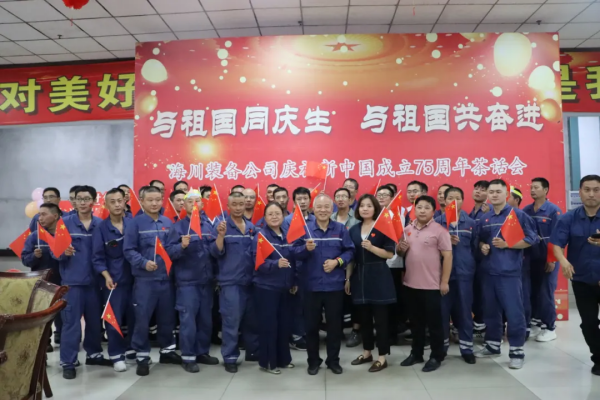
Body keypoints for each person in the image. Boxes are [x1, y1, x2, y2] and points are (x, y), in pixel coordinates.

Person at [475, 179, 538, 370]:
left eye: (498, 191)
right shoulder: (485, 218)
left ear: (506, 194)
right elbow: (480, 239)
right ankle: (493, 345)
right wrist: (483, 246)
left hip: (509, 273)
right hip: (488, 272)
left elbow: (532, 239)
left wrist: (508, 244)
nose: (494, 195)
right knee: (490, 311)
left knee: (514, 313)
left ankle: (517, 351)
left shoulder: (518, 215)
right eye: (491, 192)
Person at [293, 194, 354, 375]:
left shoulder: (340, 229)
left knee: (334, 327)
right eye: (319, 207)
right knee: (311, 327)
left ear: (331, 209)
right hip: (310, 286)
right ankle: (313, 361)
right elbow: (293, 252)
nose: (323, 210)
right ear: (313, 209)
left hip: (334, 286)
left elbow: (350, 251)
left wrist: (337, 262)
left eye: (327, 207)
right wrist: (305, 249)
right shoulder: (304, 229)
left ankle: (333, 361)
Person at [124, 186, 181, 377]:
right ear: (142, 201)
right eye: (150, 200)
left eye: (158, 199)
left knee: (167, 317)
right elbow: (129, 250)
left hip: (165, 279)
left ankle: (167, 351)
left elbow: (171, 249)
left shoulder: (167, 222)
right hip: (145, 280)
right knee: (142, 318)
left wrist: (182, 246)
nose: (155, 203)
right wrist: (143, 263)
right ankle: (142, 356)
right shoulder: (135, 223)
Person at [55, 185, 111, 379]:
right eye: (79, 199)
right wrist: (63, 252)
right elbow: (55, 253)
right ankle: (68, 361)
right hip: (73, 283)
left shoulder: (101, 224)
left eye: (87, 199)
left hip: (95, 283)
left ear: (94, 201)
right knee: (71, 324)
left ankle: (94, 354)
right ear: (74, 201)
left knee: (95, 322)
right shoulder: (64, 223)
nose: (83, 202)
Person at [165, 190, 220, 373]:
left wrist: (220, 237)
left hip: (207, 281)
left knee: (205, 320)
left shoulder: (209, 226)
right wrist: (182, 246)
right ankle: (188, 356)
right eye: (190, 201)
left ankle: (202, 352)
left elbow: (215, 252)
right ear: (185, 205)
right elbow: (169, 253)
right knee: (188, 321)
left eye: (198, 201)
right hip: (187, 282)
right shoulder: (178, 227)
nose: (194, 204)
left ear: (202, 204)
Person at [551, 175, 600, 375]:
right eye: (587, 190)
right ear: (580, 192)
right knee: (588, 322)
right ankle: (598, 358)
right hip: (582, 280)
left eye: (596, 190)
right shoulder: (568, 218)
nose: (591, 194)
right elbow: (556, 244)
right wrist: (563, 261)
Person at [397, 195, 452, 372]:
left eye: (427, 207)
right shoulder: (407, 229)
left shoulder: (440, 231)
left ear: (433, 211)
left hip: (432, 286)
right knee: (416, 324)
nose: (422, 210)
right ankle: (416, 353)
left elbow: (448, 256)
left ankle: (436, 356)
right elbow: (400, 253)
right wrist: (400, 249)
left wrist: (444, 282)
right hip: (410, 284)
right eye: (419, 207)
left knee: (434, 325)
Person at [210, 192, 259, 373]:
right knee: (231, 321)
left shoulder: (252, 227)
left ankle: (253, 352)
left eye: (241, 204)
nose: (238, 207)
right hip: (231, 282)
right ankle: (230, 357)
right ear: (228, 206)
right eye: (235, 204)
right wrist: (221, 236)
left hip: (251, 281)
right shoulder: (221, 225)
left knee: (251, 320)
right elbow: (215, 252)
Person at [347, 194, 396, 372]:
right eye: (362, 206)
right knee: (364, 318)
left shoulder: (383, 227)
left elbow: (390, 253)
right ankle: (367, 352)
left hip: (379, 275)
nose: (365, 209)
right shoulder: (353, 230)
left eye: (369, 205)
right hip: (359, 277)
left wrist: (372, 247)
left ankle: (382, 357)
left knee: (381, 319)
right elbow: (351, 257)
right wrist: (348, 278)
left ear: (375, 208)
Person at [92, 188, 136, 372]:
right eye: (113, 202)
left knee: (135, 317)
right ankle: (116, 355)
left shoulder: (133, 224)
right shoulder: (101, 228)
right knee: (114, 318)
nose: (117, 205)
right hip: (114, 282)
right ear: (106, 205)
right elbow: (97, 257)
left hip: (135, 279)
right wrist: (107, 276)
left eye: (120, 200)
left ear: (125, 201)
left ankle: (133, 349)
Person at [252, 202, 298, 374]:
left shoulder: (288, 235)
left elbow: (293, 260)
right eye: (270, 214)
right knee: (269, 326)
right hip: (266, 288)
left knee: (284, 325)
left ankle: (283, 359)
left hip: (285, 287)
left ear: (283, 215)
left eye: (277, 213)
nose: (274, 217)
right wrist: (275, 264)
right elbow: (258, 262)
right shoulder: (261, 236)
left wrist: (293, 281)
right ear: (264, 217)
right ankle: (268, 362)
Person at [434, 187, 477, 364]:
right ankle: (442, 348)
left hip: (464, 274)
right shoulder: (436, 223)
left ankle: (467, 348)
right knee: (442, 313)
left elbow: (475, 248)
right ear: (444, 201)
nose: (454, 201)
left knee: (465, 312)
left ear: (463, 200)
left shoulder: (471, 223)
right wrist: (445, 242)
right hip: (441, 275)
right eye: (450, 198)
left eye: (457, 198)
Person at [524, 177, 563, 342]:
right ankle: (535, 323)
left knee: (546, 293)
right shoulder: (527, 210)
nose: (532, 190)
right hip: (531, 258)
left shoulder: (553, 210)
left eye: (536, 187)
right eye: (531, 187)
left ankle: (550, 327)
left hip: (548, 258)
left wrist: (552, 259)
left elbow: (558, 236)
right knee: (532, 292)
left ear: (546, 190)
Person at [22, 202, 62, 351]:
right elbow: (25, 259)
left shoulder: (63, 235)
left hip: (63, 281)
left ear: (55, 216)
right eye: (39, 214)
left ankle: (64, 339)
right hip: (43, 283)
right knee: (43, 314)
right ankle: (45, 342)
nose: (40, 218)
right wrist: (34, 256)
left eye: (44, 214)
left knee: (64, 314)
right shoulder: (34, 237)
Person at [282, 187, 313, 351]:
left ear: (310, 200)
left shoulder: (315, 219)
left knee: (309, 304)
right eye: (299, 199)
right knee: (296, 305)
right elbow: (289, 247)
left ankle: (306, 332)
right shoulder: (288, 221)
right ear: (294, 202)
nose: (302, 202)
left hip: (313, 269)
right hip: (295, 268)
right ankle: (296, 336)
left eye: (305, 198)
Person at [331, 188, 361, 347]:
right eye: (338, 196)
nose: (341, 199)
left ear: (350, 200)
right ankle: (338, 329)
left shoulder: (357, 219)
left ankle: (356, 331)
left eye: (344, 196)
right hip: (334, 267)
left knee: (355, 300)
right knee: (337, 302)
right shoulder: (330, 218)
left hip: (354, 266)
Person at [469, 180, 490, 337]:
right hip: (472, 260)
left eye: (483, 190)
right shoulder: (470, 214)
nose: (478, 191)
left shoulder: (489, 212)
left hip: (486, 260)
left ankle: (487, 327)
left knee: (485, 294)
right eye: (476, 188)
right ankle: (478, 324)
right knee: (475, 293)